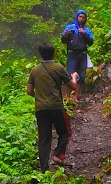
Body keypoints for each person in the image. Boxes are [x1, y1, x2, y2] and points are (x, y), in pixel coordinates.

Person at [26, 43, 78, 171]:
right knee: (65, 131)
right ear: (53, 53)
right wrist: (74, 77)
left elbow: (29, 91)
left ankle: (44, 168)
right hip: (56, 107)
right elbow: (73, 87)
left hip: (40, 109)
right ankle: (58, 155)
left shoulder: (35, 70)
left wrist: (39, 97)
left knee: (44, 138)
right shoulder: (58, 67)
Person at [60, 9, 94, 103]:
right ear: (76, 17)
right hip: (72, 54)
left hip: (82, 55)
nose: (81, 19)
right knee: (70, 75)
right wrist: (66, 35)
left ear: (85, 19)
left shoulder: (86, 30)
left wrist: (84, 34)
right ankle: (67, 97)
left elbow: (91, 42)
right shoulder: (70, 27)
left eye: (83, 17)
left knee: (81, 76)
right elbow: (63, 40)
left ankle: (76, 96)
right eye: (80, 17)